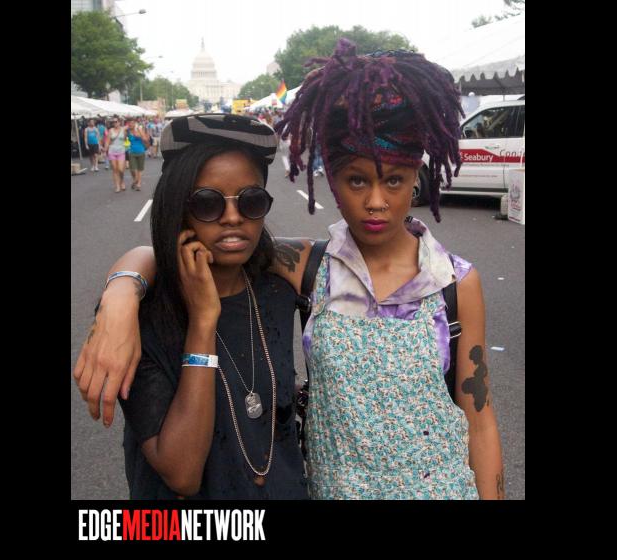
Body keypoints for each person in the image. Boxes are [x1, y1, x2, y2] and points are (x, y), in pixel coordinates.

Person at [74, 40, 504, 500]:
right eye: (356, 180)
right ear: (332, 180)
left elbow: (479, 421)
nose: (376, 201)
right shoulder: (312, 268)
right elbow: (207, 248)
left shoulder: (455, 283)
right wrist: (122, 291)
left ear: (416, 178)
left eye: (394, 179)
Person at [74, 113, 308, 499]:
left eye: (251, 201)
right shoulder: (140, 316)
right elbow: (182, 474)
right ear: (177, 208)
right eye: (207, 203)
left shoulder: (278, 287)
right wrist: (201, 321)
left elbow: (368, 246)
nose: (232, 218)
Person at [103, 117, 127, 193]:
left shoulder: (123, 130)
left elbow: (126, 140)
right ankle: (117, 186)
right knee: (115, 169)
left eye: (116, 122)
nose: (115, 123)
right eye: (113, 122)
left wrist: (127, 147)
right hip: (112, 151)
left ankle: (122, 181)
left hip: (121, 151)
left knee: (120, 169)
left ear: (119, 122)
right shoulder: (111, 130)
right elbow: (107, 141)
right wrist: (105, 149)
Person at [126, 119, 150, 190]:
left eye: (132, 123)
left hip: (141, 151)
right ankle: (135, 180)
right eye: (129, 123)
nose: (131, 124)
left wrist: (139, 134)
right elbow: (126, 140)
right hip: (132, 152)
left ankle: (138, 184)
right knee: (133, 170)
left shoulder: (140, 130)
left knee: (139, 169)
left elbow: (146, 139)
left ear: (135, 124)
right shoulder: (127, 131)